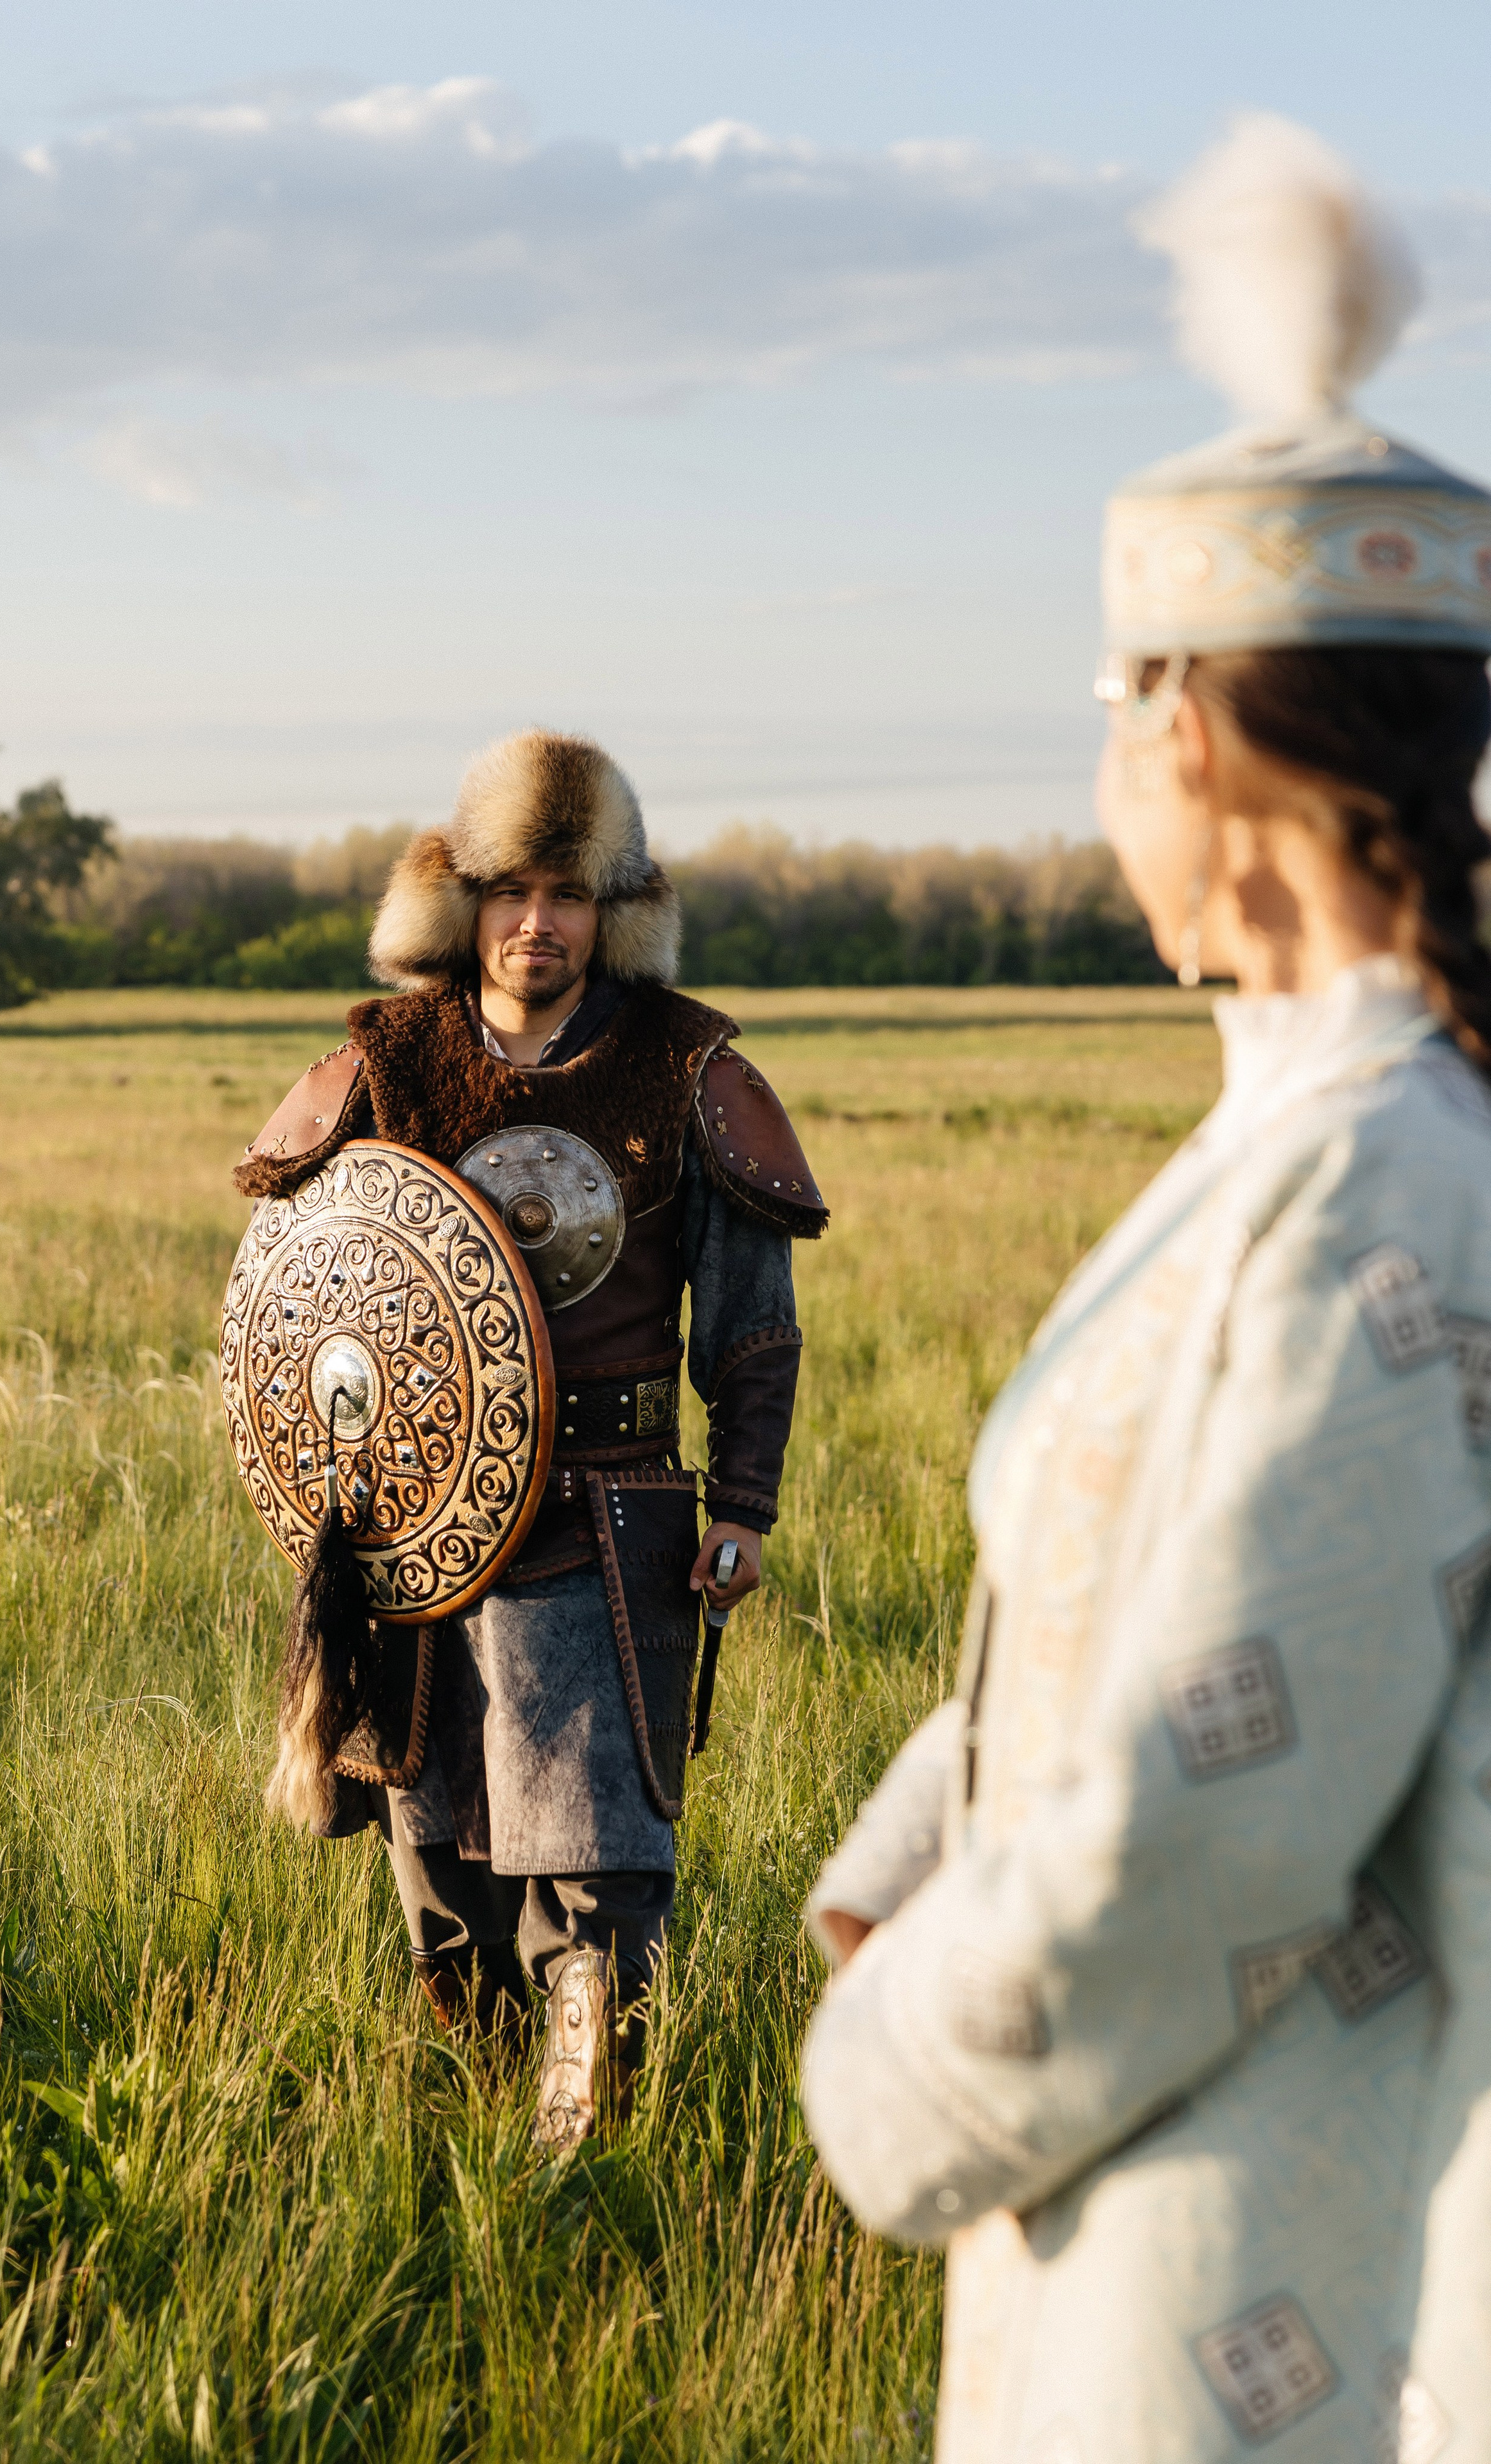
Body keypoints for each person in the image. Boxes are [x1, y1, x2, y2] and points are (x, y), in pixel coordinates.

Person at [801, 117, 1491, 2461]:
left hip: (1261, 2267)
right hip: (1184, 2185)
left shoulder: (1392, 1172)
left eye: (1114, 719)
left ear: (1186, 724)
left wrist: (885, 2072)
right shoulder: (1315, 1130)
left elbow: (1230, 1791)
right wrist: (916, 1852)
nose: (1106, 777)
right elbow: (1166, 1584)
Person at [236, 727, 826, 2150]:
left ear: (609, 913)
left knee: (599, 1869)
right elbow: (297, 1281)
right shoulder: (389, 1059)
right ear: (463, 900)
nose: (536, 923)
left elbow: (751, 1322)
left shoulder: (683, 1066)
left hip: (607, 1521)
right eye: (511, 892)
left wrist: (739, 1501)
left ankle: (591, 2165)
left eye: (568, 895)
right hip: (417, 1524)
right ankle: (470, 2136)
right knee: (437, 1853)